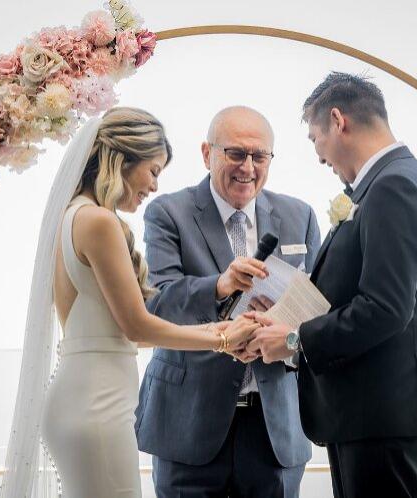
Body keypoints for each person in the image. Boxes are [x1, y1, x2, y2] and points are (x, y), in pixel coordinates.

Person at [0, 107, 258, 498]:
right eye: (153, 170)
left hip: (85, 398)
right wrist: (222, 340)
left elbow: (127, 336)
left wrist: (215, 329)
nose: (154, 186)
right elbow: (136, 327)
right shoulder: (99, 222)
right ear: (122, 159)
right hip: (97, 406)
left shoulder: (72, 216)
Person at [246, 73, 417, 498]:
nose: (320, 157)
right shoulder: (385, 184)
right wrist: (285, 314)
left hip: (384, 418)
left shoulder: (394, 186)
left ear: (338, 120)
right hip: (371, 416)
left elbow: (386, 307)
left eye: (314, 139)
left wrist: (295, 337)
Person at [135, 106, 321, 497]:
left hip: (274, 430)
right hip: (188, 424)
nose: (248, 168)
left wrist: (285, 335)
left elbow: (319, 314)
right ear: (207, 153)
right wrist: (219, 285)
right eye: (236, 154)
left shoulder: (299, 216)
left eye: (259, 156)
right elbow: (157, 306)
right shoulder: (167, 213)